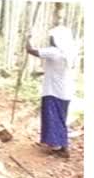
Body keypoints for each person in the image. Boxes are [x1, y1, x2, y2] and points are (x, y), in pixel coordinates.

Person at [26, 26, 78, 159]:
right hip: (65, 91)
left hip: (53, 90)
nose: (50, 40)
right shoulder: (68, 52)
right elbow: (57, 69)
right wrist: (42, 72)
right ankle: (63, 145)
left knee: (52, 117)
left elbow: (30, 50)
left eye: (52, 38)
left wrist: (28, 38)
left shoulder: (54, 51)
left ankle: (56, 146)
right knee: (60, 118)